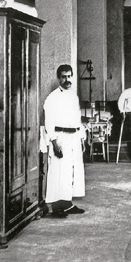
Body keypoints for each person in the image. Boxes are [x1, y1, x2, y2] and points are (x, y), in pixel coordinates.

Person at [43, 64, 86, 218]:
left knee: (70, 172)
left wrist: (81, 138)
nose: (67, 79)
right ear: (58, 78)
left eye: (69, 76)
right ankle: (56, 207)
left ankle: (67, 204)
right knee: (58, 172)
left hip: (73, 137)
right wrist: (54, 142)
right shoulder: (52, 98)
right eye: (63, 77)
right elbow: (49, 122)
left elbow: (77, 118)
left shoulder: (73, 96)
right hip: (60, 137)